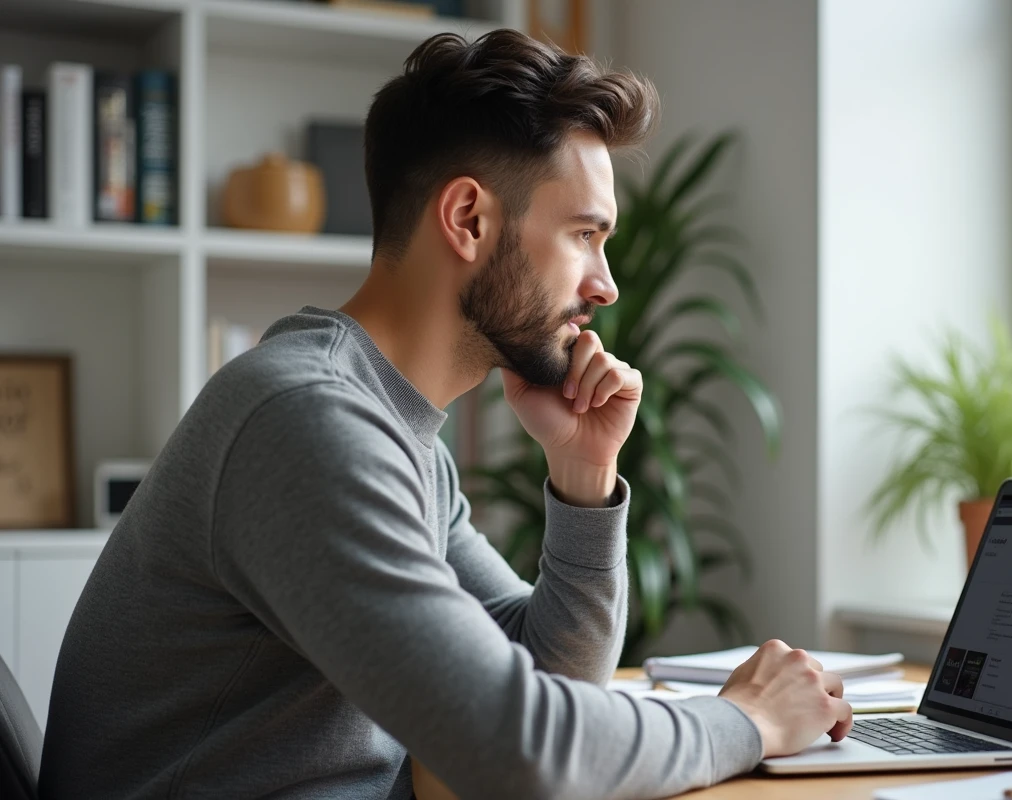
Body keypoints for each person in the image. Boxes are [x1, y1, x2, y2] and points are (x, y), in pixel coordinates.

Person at [38, 29, 852, 800]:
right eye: (584, 236)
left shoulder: (393, 433)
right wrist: (746, 721)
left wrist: (583, 478)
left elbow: (541, 676)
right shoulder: (306, 421)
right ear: (468, 220)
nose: (605, 285)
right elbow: (516, 747)